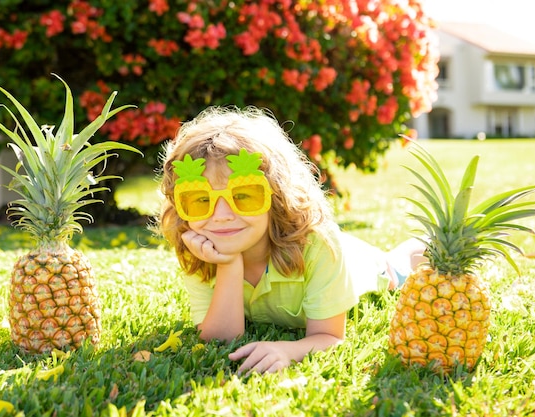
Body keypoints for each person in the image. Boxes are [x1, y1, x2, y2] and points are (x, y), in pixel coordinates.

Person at [156, 106, 426, 374]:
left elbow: (330, 337)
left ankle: (423, 243)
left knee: (396, 268)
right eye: (201, 200)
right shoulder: (200, 246)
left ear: (276, 196)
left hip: (361, 264)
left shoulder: (318, 245)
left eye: (244, 196)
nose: (222, 216)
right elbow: (220, 341)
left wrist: (289, 350)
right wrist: (227, 263)